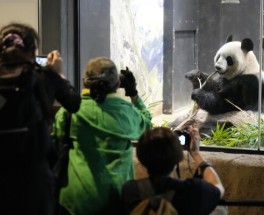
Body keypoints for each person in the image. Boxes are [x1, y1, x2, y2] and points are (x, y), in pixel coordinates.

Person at [51, 56, 152, 215]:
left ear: (85, 81)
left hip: (76, 200)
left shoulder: (70, 111)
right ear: (118, 84)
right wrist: (133, 92)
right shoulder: (126, 112)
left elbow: (54, 139)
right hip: (116, 199)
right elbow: (147, 126)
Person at [0, 22, 80, 215]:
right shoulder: (44, 77)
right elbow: (74, 103)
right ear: (32, 51)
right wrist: (58, 74)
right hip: (34, 179)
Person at [122, 126, 225, 215]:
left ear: (141, 158)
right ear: (178, 157)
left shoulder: (129, 190)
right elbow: (218, 187)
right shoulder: (192, 190)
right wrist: (196, 154)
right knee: (221, 209)